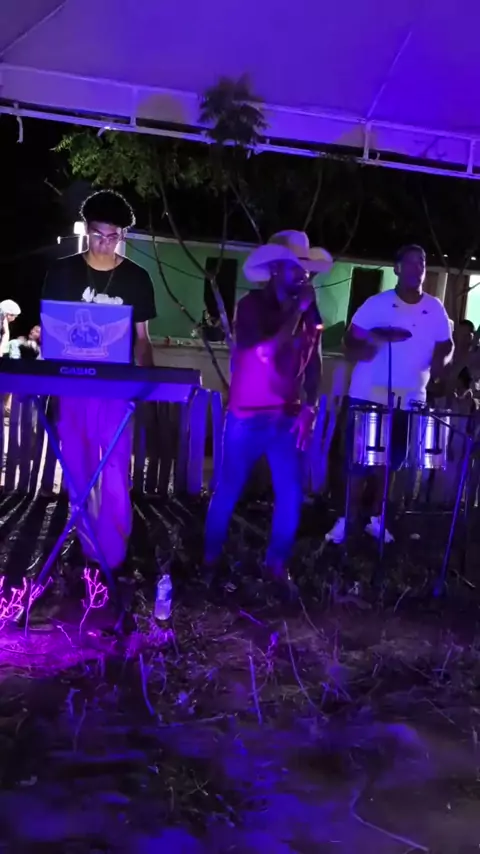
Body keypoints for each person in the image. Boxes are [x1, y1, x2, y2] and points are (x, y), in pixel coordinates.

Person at [204, 230, 332, 586]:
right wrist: (298, 310)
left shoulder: (310, 309)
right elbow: (266, 352)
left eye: (306, 268)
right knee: (228, 489)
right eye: (296, 267)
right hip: (247, 416)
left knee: (291, 493)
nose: (304, 275)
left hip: (287, 417)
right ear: (276, 268)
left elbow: (314, 360)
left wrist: (311, 407)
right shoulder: (251, 306)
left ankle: (275, 567)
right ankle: (209, 563)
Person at [42, 190, 157, 573]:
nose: (104, 243)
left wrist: (146, 383)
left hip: (115, 393)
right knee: (78, 471)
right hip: (72, 391)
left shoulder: (137, 278)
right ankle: (90, 553)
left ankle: (114, 555)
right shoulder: (62, 273)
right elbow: (51, 332)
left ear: (122, 235)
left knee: (114, 471)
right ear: (86, 230)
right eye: (97, 234)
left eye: (113, 236)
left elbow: (142, 339)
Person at [326, 244, 453, 544]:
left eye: (421, 262)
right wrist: (365, 347)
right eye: (409, 262)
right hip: (369, 393)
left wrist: (442, 361)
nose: (416, 268)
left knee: (390, 464)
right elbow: (349, 342)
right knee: (359, 462)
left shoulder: (435, 307)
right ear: (397, 268)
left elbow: (446, 345)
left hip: (409, 399)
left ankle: (376, 519)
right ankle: (347, 519)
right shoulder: (376, 304)